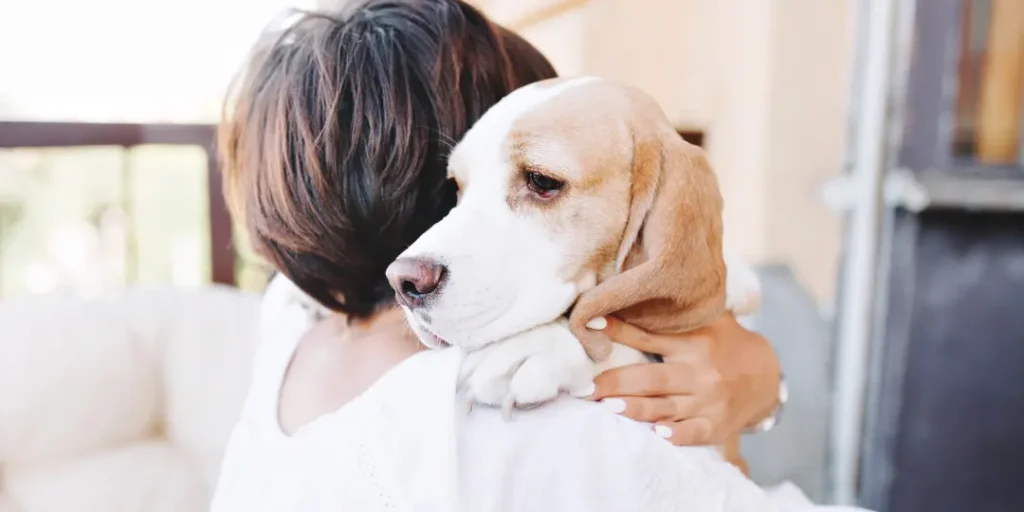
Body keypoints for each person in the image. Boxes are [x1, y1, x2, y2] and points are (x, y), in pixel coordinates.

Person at [211, 1, 788, 510]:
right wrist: (762, 381)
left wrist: (750, 372)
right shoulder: (535, 421)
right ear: (438, 191)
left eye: (536, 180)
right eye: (463, 187)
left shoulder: (291, 317)